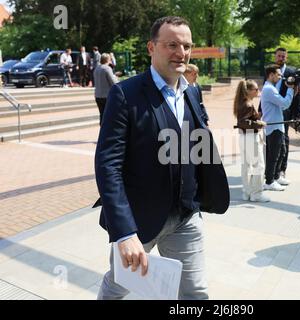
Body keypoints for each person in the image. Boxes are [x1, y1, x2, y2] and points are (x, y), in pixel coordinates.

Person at [95, 16, 229, 300]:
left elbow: (196, 146)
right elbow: (108, 165)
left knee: (195, 293)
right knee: (119, 287)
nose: (181, 53)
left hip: (185, 216)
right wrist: (123, 233)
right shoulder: (125, 95)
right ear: (151, 48)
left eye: (186, 46)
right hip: (138, 221)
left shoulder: (191, 92)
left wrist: (204, 191)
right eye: (172, 45)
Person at [234, 79, 269, 202]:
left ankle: (247, 192)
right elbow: (244, 122)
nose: (257, 91)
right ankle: (256, 194)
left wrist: (256, 120)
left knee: (246, 166)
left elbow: (244, 121)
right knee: (258, 166)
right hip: (250, 137)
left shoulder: (242, 103)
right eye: (255, 89)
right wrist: (259, 123)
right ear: (248, 91)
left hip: (244, 137)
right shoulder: (248, 104)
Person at [261, 64, 295, 191]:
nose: (281, 77)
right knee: (273, 155)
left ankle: (276, 177)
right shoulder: (269, 89)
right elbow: (285, 104)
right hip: (273, 126)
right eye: (279, 74)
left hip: (277, 125)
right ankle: (269, 181)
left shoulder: (271, 88)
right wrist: (290, 89)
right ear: (271, 75)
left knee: (281, 152)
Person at [274, 48, 300, 186]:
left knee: (283, 139)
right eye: (279, 56)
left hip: (286, 110)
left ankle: (282, 170)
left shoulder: (292, 72)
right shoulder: (270, 70)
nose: (281, 58)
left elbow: (297, 93)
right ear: (275, 57)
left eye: (283, 56)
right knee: (272, 139)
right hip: (272, 110)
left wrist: (297, 113)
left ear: (286, 57)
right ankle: (272, 170)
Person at [93, 53, 118, 125]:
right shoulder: (107, 68)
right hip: (106, 96)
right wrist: (115, 77)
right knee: (109, 116)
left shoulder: (96, 68)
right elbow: (114, 83)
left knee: (102, 115)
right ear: (108, 60)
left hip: (98, 95)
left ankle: (102, 132)